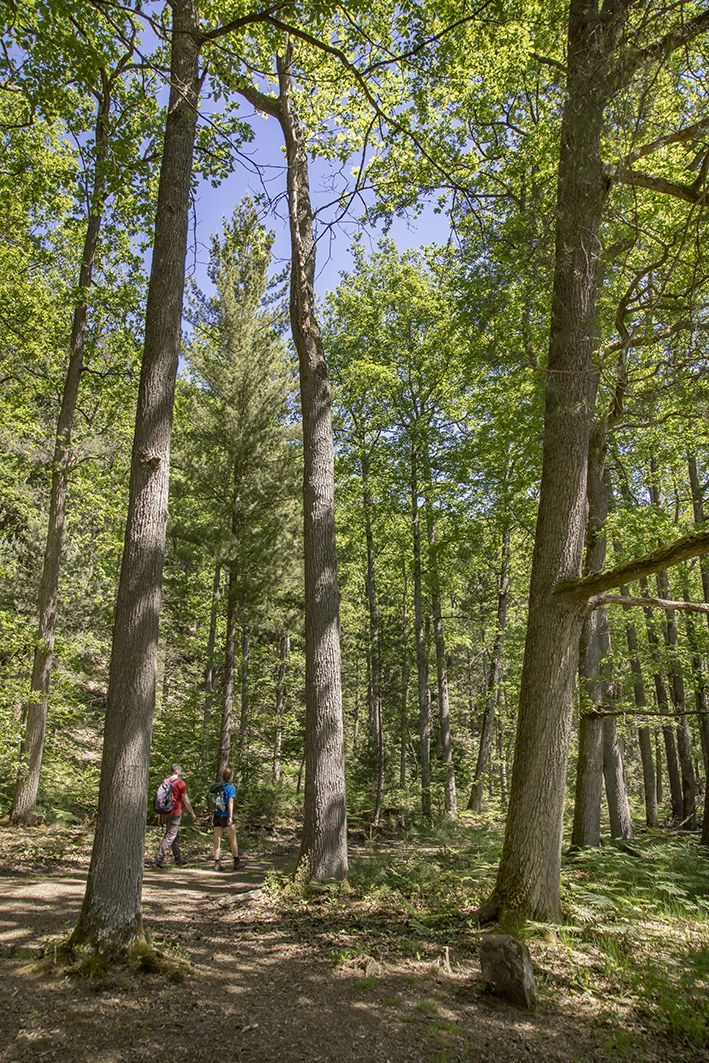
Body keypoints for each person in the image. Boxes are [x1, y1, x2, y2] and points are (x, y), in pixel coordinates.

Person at [154, 763, 196, 868]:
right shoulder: (180, 782)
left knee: (175, 835)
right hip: (175, 812)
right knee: (170, 836)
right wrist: (192, 812)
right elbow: (185, 799)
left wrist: (160, 815)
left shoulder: (165, 781)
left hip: (165, 812)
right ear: (177, 771)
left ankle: (178, 859)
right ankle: (158, 860)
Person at [212, 766, 244, 872]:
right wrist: (230, 817)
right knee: (232, 838)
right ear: (231, 776)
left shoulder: (216, 787)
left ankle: (217, 863)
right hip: (226, 815)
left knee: (217, 839)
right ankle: (236, 861)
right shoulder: (231, 787)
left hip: (216, 815)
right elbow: (230, 802)